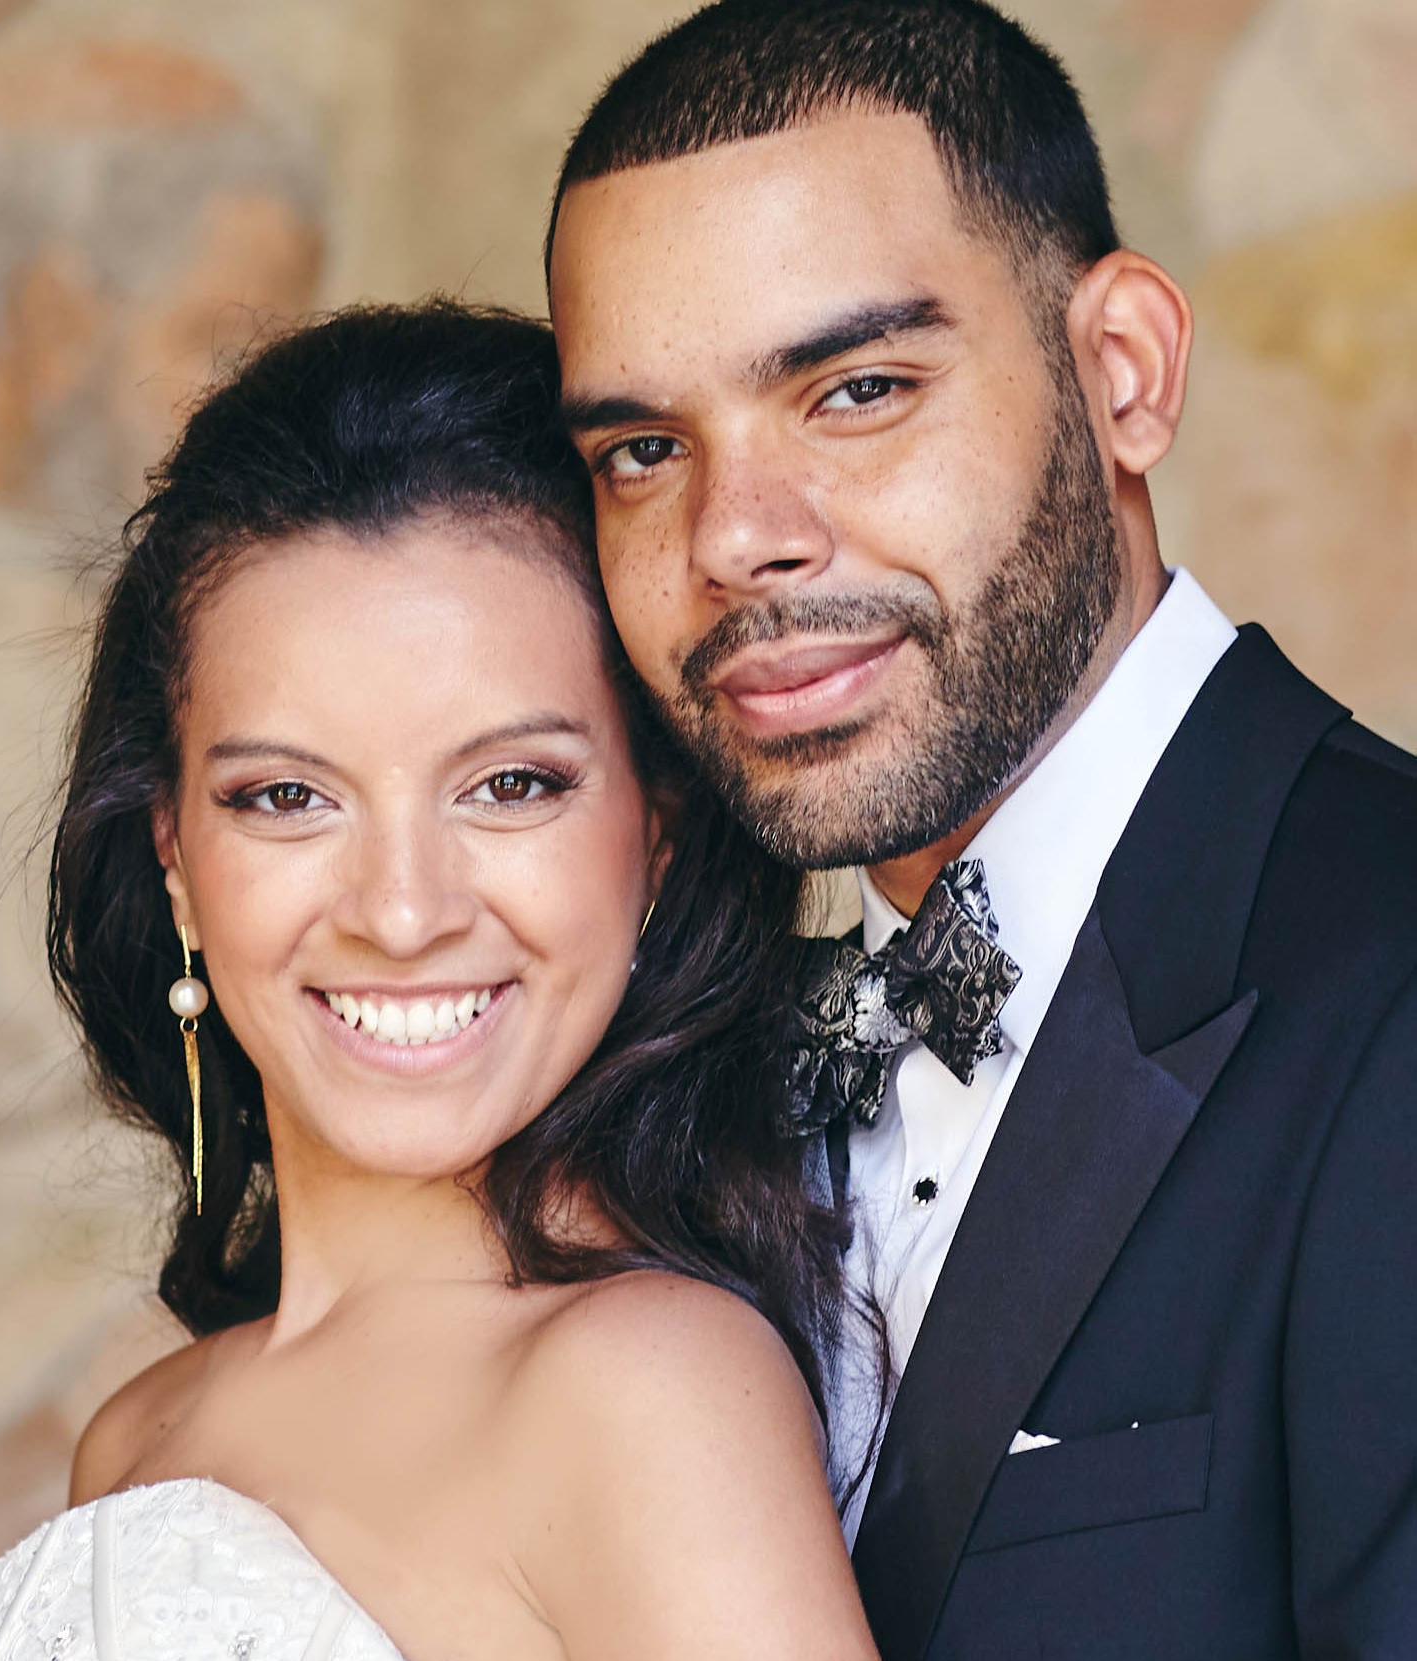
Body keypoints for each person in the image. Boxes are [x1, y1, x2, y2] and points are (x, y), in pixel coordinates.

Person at [545, 2, 1417, 1658]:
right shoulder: (671, 1090)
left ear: (1122, 373)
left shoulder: (1391, 981)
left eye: (856, 390)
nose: (733, 538)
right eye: (644, 450)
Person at [0, 301, 880, 1661]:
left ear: (653, 831)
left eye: (511, 784)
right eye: (286, 796)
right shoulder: (136, 1436)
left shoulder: (648, 1392)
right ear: (174, 854)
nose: (402, 913)